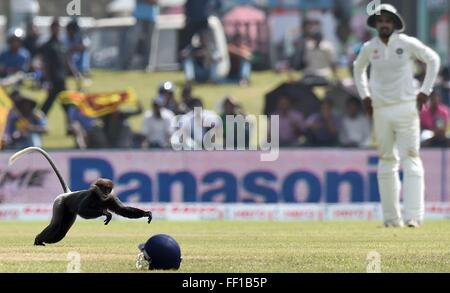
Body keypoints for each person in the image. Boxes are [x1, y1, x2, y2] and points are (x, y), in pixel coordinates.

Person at [353, 4, 441, 228]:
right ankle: (391, 219)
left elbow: (433, 59)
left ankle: (413, 217)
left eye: (388, 21)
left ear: (394, 24)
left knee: (411, 159)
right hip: (380, 109)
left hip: (406, 107)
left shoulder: (406, 43)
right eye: (380, 21)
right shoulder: (369, 47)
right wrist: (365, 95)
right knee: (386, 161)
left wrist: (425, 91)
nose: (384, 24)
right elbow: (357, 68)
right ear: (375, 24)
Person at [37, 19, 68, 116]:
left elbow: (66, 61)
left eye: (58, 27)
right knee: (53, 102)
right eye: (54, 27)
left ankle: (71, 123)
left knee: (64, 103)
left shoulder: (61, 44)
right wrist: (48, 80)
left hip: (61, 77)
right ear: (51, 29)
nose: (56, 29)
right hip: (53, 78)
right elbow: (45, 64)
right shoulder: (48, 45)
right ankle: (39, 119)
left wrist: (76, 74)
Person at [123, 0, 159, 70]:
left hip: (152, 16)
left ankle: (147, 65)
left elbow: (156, 2)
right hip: (139, 16)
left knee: (150, 43)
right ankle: (127, 65)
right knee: (132, 41)